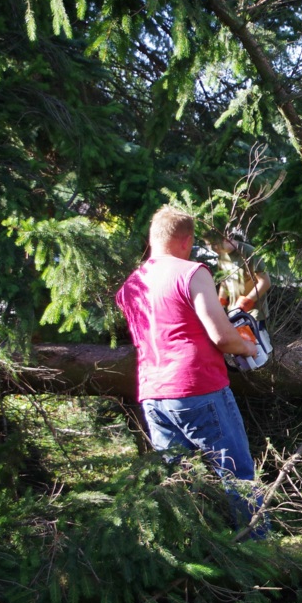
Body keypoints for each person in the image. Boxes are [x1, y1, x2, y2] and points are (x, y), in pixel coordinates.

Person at [116, 206, 268, 538]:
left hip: (153, 395)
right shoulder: (192, 272)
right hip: (198, 387)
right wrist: (250, 348)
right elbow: (222, 336)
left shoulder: (130, 284)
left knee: (179, 484)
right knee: (237, 474)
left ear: (153, 239)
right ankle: (261, 554)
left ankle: (192, 551)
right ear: (186, 241)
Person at [212, 230, 272, 322]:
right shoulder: (222, 256)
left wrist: (244, 304)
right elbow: (225, 282)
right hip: (233, 313)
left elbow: (265, 282)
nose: (213, 248)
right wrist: (220, 304)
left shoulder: (249, 252)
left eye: (214, 243)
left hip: (253, 315)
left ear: (226, 238)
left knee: (256, 336)